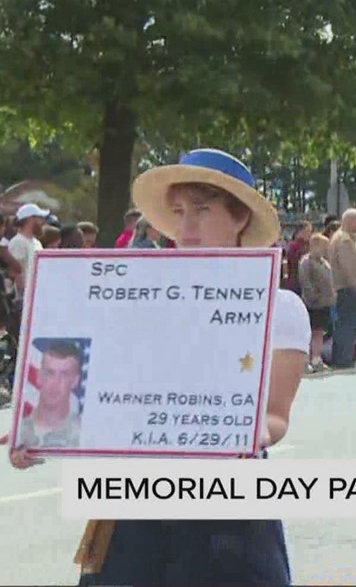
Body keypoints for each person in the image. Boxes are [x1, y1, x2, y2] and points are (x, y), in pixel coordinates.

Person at [3, 148, 310, 584]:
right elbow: (101, 400)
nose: (187, 226)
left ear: (240, 217)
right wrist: (40, 431)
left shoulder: (281, 307)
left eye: (202, 211)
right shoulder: (134, 295)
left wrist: (243, 430)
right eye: (179, 211)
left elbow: (277, 416)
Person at [18, 339, 85, 448]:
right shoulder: (14, 429)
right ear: (39, 376)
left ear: (75, 381)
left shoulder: (84, 433)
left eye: (64, 375)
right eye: (50, 373)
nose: (55, 383)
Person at [329, 210, 356, 368]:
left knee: (344, 324)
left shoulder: (343, 238)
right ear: (350, 221)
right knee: (347, 325)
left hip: (345, 289)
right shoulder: (344, 241)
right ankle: (344, 359)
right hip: (347, 288)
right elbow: (349, 267)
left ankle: (342, 357)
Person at [298, 233, 335, 373]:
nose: (325, 250)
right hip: (311, 303)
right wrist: (314, 296)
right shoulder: (306, 262)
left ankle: (317, 359)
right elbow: (306, 282)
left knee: (319, 332)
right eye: (323, 246)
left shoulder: (324, 262)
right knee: (309, 333)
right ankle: (305, 361)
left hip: (325, 303)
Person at [8, 203, 49, 297]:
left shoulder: (37, 243)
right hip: (25, 298)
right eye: (39, 218)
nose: (43, 222)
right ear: (31, 219)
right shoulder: (18, 242)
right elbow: (16, 273)